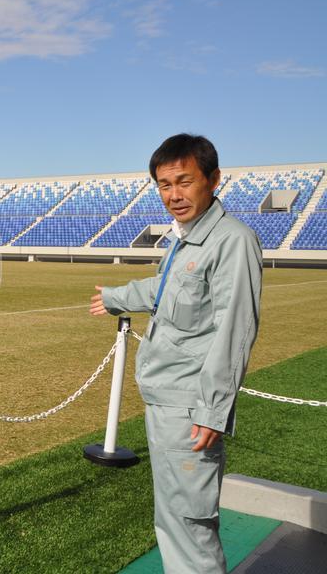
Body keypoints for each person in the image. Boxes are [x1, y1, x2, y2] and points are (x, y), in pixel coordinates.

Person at [90, 133, 262, 573]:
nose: (173, 195)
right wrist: (116, 295)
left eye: (183, 181)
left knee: (189, 527)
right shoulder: (186, 240)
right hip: (168, 403)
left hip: (191, 410)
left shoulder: (231, 241)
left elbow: (235, 330)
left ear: (214, 179)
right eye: (164, 185)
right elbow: (165, 291)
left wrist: (212, 410)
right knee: (173, 521)